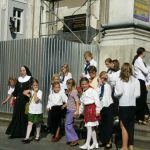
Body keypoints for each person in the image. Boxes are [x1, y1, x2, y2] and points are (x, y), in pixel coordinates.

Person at [115, 63, 140, 150]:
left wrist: (116, 94)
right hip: (132, 105)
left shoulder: (120, 80)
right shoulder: (136, 80)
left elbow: (118, 93)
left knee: (123, 126)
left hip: (123, 105)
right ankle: (131, 146)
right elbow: (137, 94)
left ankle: (124, 147)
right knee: (130, 126)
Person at [6, 66, 33, 138]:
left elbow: (32, 88)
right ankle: (14, 133)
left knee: (25, 117)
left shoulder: (30, 78)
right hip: (18, 100)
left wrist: (28, 91)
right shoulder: (18, 79)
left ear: (26, 71)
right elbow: (16, 91)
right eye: (21, 70)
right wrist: (11, 98)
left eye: (23, 70)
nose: (22, 72)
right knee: (16, 116)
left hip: (26, 101)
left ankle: (24, 133)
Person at [78, 77, 101, 150]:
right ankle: (95, 143)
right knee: (92, 128)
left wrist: (98, 110)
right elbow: (82, 104)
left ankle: (87, 144)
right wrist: (79, 112)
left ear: (88, 83)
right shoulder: (83, 93)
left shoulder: (92, 91)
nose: (84, 85)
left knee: (89, 127)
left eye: (85, 84)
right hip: (87, 110)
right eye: (82, 84)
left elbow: (97, 101)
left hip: (92, 110)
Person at [22, 79, 43, 144]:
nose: (35, 86)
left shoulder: (40, 92)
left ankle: (37, 136)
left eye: (36, 85)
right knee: (29, 124)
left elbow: (36, 100)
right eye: (34, 85)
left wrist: (35, 92)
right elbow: (23, 92)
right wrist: (30, 91)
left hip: (38, 111)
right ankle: (27, 138)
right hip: (31, 111)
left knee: (38, 124)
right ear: (32, 86)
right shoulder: (31, 91)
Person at [97, 71, 114, 149]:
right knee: (103, 125)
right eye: (102, 77)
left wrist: (106, 77)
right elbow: (97, 96)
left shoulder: (108, 84)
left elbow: (111, 79)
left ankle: (108, 141)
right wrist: (99, 84)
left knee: (109, 125)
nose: (104, 78)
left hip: (109, 106)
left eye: (105, 77)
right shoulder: (99, 87)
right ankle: (104, 140)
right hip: (101, 107)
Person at [132, 47, 149, 124]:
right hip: (140, 81)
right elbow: (145, 71)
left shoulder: (140, 60)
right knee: (141, 100)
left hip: (142, 81)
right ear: (142, 52)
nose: (145, 53)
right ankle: (136, 116)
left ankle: (140, 118)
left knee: (142, 100)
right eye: (144, 52)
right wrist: (148, 69)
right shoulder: (139, 60)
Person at [65, 79, 79, 146]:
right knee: (68, 124)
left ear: (72, 84)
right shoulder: (70, 91)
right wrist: (65, 105)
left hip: (72, 110)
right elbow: (70, 101)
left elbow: (77, 101)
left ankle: (74, 139)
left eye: (68, 84)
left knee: (68, 124)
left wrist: (77, 110)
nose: (67, 86)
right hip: (69, 110)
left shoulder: (74, 91)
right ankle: (70, 139)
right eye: (67, 84)